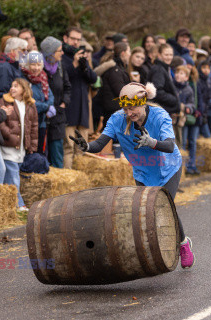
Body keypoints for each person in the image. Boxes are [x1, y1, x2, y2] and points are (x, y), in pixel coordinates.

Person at [69, 82, 195, 269]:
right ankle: (154, 249)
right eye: (126, 109)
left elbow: (169, 146)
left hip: (167, 168)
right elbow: (100, 143)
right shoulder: (117, 119)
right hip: (143, 172)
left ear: (143, 103)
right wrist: (87, 146)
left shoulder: (160, 116)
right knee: (145, 212)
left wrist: (151, 142)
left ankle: (183, 244)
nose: (129, 113)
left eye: (133, 108)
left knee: (164, 207)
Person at [0, 78, 38, 211]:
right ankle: (19, 204)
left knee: (12, 176)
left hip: (20, 148)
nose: (12, 88)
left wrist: (31, 145)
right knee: (13, 175)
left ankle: (8, 204)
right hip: (8, 146)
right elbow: (0, 121)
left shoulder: (30, 105)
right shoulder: (4, 101)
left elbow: (34, 126)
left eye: (16, 86)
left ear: (24, 89)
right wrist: (8, 134)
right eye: (12, 85)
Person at [61, 27, 98, 169]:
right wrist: (74, 64)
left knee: (82, 148)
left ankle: (81, 184)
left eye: (78, 39)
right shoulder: (62, 57)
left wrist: (85, 66)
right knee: (69, 147)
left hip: (83, 109)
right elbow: (63, 78)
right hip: (69, 109)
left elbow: (93, 79)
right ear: (66, 39)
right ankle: (69, 180)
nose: (76, 42)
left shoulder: (82, 55)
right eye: (73, 39)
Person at [40, 36, 71, 168]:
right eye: (59, 50)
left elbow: (67, 87)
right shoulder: (39, 69)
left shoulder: (60, 68)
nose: (62, 53)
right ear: (50, 53)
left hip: (58, 117)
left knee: (58, 156)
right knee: (44, 156)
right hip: (44, 117)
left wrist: (64, 102)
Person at [21, 51, 54, 155]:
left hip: (42, 122)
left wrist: (48, 106)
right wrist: (46, 107)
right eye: (33, 64)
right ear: (27, 65)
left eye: (39, 64)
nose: (36, 68)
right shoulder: (23, 79)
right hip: (29, 124)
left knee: (41, 151)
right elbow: (28, 102)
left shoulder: (43, 78)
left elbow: (50, 96)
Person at [98, 42, 131, 125]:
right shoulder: (115, 70)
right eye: (129, 51)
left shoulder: (119, 68)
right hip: (114, 112)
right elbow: (121, 91)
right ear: (123, 53)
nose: (130, 54)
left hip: (117, 111)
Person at [147, 43, 181, 116]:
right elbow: (157, 91)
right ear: (159, 55)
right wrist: (174, 99)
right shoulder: (158, 69)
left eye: (171, 55)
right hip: (159, 112)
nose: (169, 57)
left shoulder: (165, 68)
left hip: (163, 111)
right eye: (166, 55)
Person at [0, 37, 27, 102]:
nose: (25, 53)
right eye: (22, 50)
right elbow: (0, 95)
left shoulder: (14, 65)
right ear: (12, 51)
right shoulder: (4, 67)